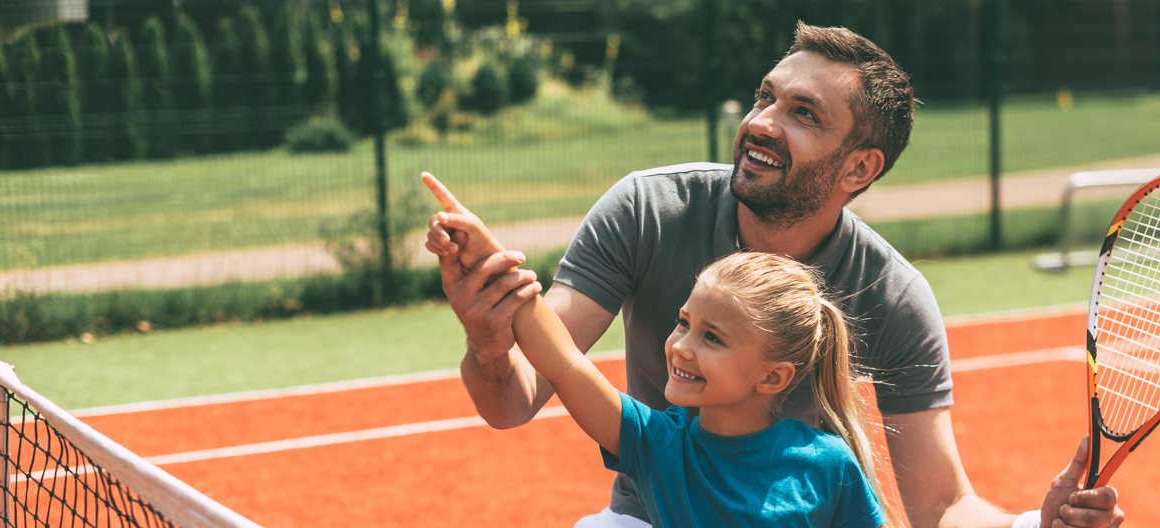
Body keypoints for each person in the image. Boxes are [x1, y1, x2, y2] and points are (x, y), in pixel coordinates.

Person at [426, 22, 1124, 528]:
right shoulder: (647, 210)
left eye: (802, 114)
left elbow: (941, 505)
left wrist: (1034, 525)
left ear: (858, 168)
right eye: (765, 97)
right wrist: (492, 337)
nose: (762, 122)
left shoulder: (891, 299)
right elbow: (517, 398)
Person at [420, 204, 900, 526]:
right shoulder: (658, 445)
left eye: (712, 337)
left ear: (772, 377)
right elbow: (565, 363)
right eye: (683, 323)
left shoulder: (828, 463)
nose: (681, 346)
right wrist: (491, 261)